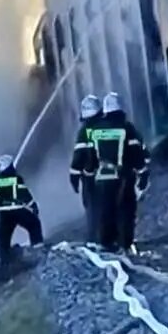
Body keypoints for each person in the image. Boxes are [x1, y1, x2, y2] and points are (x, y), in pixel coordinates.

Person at [89, 92, 151, 254]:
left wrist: (88, 174)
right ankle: (125, 244)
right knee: (126, 210)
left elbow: (90, 155)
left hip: (102, 177)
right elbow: (135, 152)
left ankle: (106, 243)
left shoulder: (95, 130)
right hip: (123, 177)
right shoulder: (127, 128)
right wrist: (143, 172)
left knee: (106, 210)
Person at [0, 154, 43, 265]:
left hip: (4, 213)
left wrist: (2, 200)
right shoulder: (16, 178)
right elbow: (23, 193)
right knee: (34, 224)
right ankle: (38, 250)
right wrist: (33, 205)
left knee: (4, 238)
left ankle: (4, 263)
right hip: (16, 210)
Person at [70, 94, 102, 246]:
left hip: (91, 178)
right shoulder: (108, 126)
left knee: (92, 209)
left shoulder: (85, 131)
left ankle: (95, 240)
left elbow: (79, 157)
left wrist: (74, 177)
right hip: (113, 175)